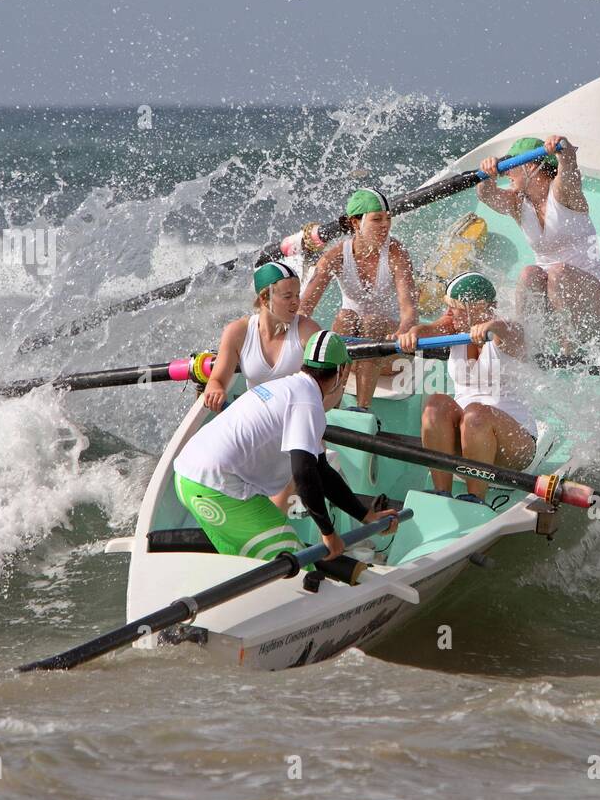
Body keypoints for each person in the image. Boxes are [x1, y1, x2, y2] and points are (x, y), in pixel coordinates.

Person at [173, 331, 399, 561]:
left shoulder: (287, 386)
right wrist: (329, 533)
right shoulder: (308, 403)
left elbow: (322, 472)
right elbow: (303, 473)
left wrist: (366, 515)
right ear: (341, 372)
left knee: (246, 565)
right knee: (297, 567)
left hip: (185, 477)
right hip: (215, 487)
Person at [395, 272, 537, 505]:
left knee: (475, 413)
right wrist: (413, 334)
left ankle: (475, 498)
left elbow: (511, 329)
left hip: (513, 445)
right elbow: (428, 329)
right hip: (466, 443)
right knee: (435, 404)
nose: (448, 314)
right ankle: (441, 491)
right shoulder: (454, 325)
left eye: (454, 308)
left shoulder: (507, 333)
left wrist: (492, 326)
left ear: (477, 308)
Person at [476, 134, 600, 349]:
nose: (506, 173)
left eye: (511, 165)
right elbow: (486, 195)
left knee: (557, 272)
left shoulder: (563, 192)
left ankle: (569, 350)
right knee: (529, 272)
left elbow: (569, 165)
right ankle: (524, 345)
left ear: (532, 165)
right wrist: (487, 174)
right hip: (558, 306)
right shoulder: (517, 203)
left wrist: (563, 148)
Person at [300, 187, 418, 411]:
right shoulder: (335, 256)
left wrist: (404, 331)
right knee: (345, 317)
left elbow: (409, 310)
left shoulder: (396, 253)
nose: (385, 226)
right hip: (351, 355)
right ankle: (331, 406)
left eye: (388, 219)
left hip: (390, 354)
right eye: (377, 219)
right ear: (355, 223)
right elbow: (304, 307)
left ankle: (362, 408)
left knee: (372, 321)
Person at [200, 261, 322, 412]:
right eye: (288, 296)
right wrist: (215, 390)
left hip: (297, 417)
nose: (296, 302)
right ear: (264, 298)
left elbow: (329, 388)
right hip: (256, 419)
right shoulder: (237, 332)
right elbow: (216, 381)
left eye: (297, 295)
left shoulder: (308, 331)